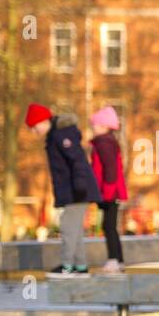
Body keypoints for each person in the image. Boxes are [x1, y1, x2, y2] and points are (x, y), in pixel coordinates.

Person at [25, 103, 101, 274]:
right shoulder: (54, 137)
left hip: (78, 190)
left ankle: (67, 265)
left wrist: (80, 185)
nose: (33, 132)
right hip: (73, 191)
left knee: (67, 227)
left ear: (43, 121)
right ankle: (80, 266)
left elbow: (78, 161)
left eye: (33, 127)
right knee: (74, 229)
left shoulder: (61, 135)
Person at [88, 106, 128, 274]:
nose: (93, 128)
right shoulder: (107, 141)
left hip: (109, 192)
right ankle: (118, 260)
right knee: (110, 226)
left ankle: (114, 259)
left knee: (108, 226)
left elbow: (110, 170)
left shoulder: (104, 143)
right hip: (111, 191)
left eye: (95, 125)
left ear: (104, 126)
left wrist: (106, 193)